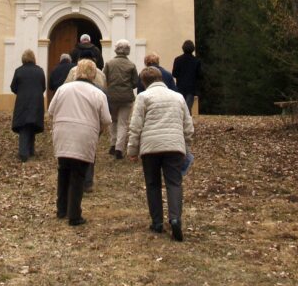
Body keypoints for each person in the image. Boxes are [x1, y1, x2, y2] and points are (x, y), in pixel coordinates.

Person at [127, 66, 194, 241]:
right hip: (174, 146)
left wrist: (132, 149)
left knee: (153, 184)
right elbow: (188, 125)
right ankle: (175, 219)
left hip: (151, 147)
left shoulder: (143, 97)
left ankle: (157, 222)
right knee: (174, 183)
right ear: (162, 79)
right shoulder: (178, 97)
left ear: (144, 82)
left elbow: (136, 126)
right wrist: (186, 146)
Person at [48, 59, 112, 226]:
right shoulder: (98, 94)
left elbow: (50, 111)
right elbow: (106, 119)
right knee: (78, 174)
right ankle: (74, 215)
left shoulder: (63, 89)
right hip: (85, 134)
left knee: (63, 171)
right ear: (93, 74)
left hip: (63, 133)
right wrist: (99, 128)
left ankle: (62, 209)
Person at [103, 39, 139, 159]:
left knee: (113, 121)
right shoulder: (131, 65)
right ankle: (119, 148)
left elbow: (104, 79)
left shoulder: (109, 63)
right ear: (128, 51)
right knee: (123, 123)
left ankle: (113, 144)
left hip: (111, 96)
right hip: (126, 97)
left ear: (116, 49)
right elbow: (135, 83)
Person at [10, 49, 46, 162]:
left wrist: (20, 92)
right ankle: (30, 150)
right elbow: (43, 86)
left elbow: (13, 87)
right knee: (32, 125)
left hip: (22, 101)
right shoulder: (40, 71)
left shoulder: (19, 71)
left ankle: (23, 153)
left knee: (24, 126)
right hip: (36, 101)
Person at [172, 40, 202, 113]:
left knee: (180, 107)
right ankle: (188, 122)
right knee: (188, 109)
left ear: (183, 48)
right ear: (193, 49)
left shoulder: (177, 60)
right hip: (191, 88)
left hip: (180, 87)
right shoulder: (196, 61)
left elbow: (174, 74)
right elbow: (199, 75)